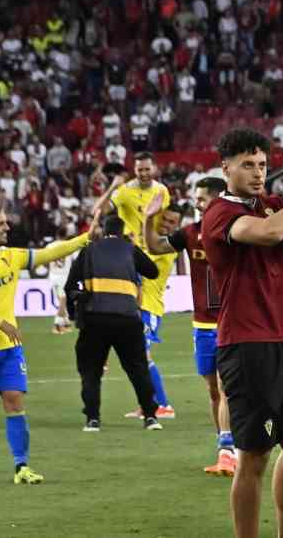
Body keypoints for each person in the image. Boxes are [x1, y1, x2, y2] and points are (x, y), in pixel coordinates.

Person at [202, 128, 283, 538]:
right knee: (254, 456)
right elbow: (271, 233)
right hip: (246, 346)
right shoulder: (220, 213)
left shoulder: (271, 204)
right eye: (248, 165)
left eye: (262, 164)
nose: (258, 173)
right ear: (226, 168)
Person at [0, 202, 92, 484]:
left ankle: (21, 467)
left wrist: (84, 238)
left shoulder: (11, 256)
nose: (7, 227)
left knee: (14, 402)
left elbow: (50, 253)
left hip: (9, 348)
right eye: (0, 224)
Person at [144, 176, 235, 474]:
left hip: (232, 322)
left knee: (225, 388)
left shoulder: (236, 229)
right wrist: (147, 219)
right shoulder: (190, 233)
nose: (196, 203)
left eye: (202, 198)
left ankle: (227, 447)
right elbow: (156, 248)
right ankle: (223, 441)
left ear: (218, 200)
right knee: (212, 390)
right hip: (202, 326)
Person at [66, 214, 162, 432]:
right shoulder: (129, 248)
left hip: (95, 318)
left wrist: (75, 315)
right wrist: (133, 249)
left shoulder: (89, 249)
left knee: (91, 370)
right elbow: (153, 272)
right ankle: (150, 417)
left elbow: (70, 285)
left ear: (102, 230)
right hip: (127, 318)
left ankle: (92, 418)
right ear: (121, 231)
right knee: (138, 369)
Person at [97, 151, 175, 419]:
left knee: (141, 353)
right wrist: (114, 186)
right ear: (135, 170)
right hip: (134, 280)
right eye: (139, 169)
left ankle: (161, 404)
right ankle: (150, 403)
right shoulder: (125, 193)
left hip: (150, 303)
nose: (144, 173)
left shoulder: (164, 249)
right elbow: (100, 210)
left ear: (154, 168)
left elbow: (164, 221)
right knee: (135, 352)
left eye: (147, 169)